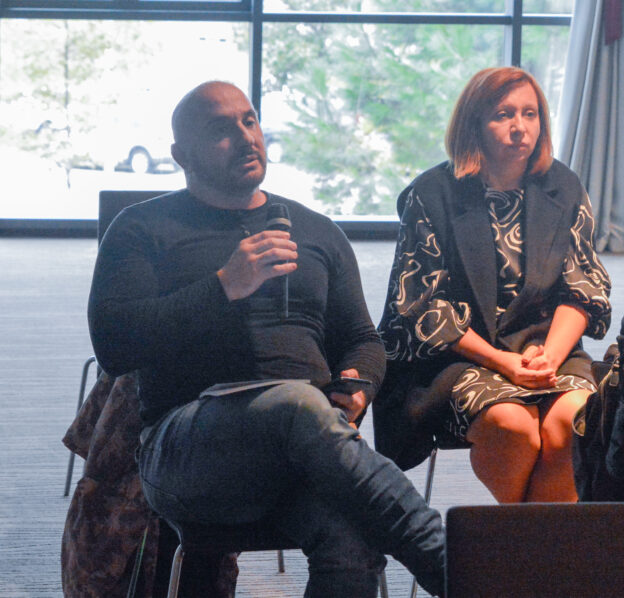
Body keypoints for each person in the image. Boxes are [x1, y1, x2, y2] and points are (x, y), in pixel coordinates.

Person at [88, 80, 444, 597]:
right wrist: (223, 286)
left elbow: (362, 339)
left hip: (308, 450)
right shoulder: (143, 228)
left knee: (351, 539)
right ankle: (455, 565)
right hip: (187, 450)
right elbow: (113, 345)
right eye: (221, 129)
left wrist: (358, 383)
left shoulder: (318, 230)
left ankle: (457, 567)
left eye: (249, 120)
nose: (245, 137)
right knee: (296, 404)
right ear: (181, 155)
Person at [376, 67, 612, 504]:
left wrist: (550, 357)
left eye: (529, 114)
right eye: (503, 115)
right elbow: (420, 306)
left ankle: (519, 544)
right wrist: (503, 362)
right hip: (461, 358)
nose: (520, 127)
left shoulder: (563, 186)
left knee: (573, 421)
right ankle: (530, 543)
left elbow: (583, 287)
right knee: (513, 426)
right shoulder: (432, 193)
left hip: (548, 352)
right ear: (474, 125)